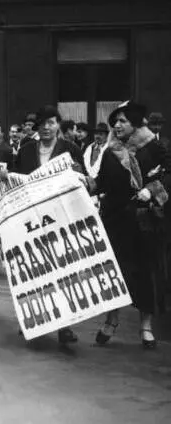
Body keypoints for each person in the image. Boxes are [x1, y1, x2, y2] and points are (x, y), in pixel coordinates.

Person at [83, 102, 170, 349]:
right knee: (117, 273)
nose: (117, 126)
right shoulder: (111, 152)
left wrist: (152, 189)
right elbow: (102, 183)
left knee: (146, 273)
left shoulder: (154, 148)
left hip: (145, 221)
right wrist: (85, 183)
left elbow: (168, 174)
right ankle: (111, 320)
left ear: (136, 123)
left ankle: (146, 326)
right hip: (116, 220)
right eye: (115, 122)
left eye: (122, 121)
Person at [16, 105, 84, 345]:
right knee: (35, 270)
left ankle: (65, 324)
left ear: (58, 125)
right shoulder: (25, 151)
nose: (46, 127)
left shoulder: (71, 149)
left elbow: (85, 183)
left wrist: (79, 175)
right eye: (42, 123)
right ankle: (34, 320)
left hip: (60, 219)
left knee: (62, 270)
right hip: (32, 219)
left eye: (51, 123)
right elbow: (16, 182)